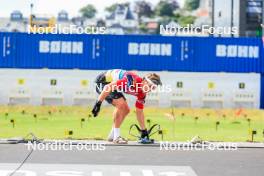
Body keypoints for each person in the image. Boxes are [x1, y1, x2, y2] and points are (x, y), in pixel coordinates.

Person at [91, 69, 162, 144]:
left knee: (126, 110)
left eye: (153, 88)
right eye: (150, 86)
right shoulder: (130, 80)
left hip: (111, 84)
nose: (150, 90)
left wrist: (144, 131)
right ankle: (116, 137)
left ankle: (112, 136)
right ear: (144, 81)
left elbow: (139, 112)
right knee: (121, 105)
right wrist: (98, 103)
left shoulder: (142, 94)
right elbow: (108, 87)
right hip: (102, 82)